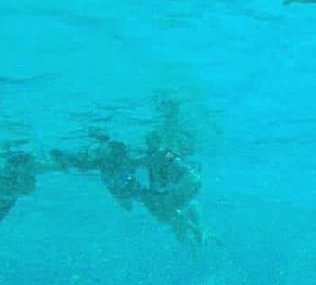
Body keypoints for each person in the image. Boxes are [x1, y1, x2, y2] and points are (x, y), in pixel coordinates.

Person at [141, 101, 204, 247]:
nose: (147, 144)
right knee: (173, 209)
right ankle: (197, 231)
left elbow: (170, 158)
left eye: (149, 141)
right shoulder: (159, 154)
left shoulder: (162, 153)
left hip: (188, 180)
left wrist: (169, 157)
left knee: (171, 208)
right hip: (190, 180)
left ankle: (196, 231)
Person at [51, 130, 145, 211]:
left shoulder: (113, 165)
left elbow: (82, 164)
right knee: (86, 164)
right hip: (117, 177)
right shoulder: (121, 164)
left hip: (115, 176)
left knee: (84, 164)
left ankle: (64, 156)